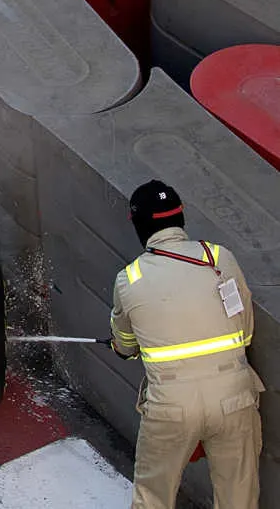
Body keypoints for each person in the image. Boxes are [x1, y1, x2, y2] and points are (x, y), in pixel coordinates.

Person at [110, 180, 263, 509]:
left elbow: (124, 345)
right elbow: (245, 332)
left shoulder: (130, 278)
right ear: (180, 217)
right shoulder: (219, 257)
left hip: (171, 405)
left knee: (154, 497)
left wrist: (120, 344)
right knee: (239, 497)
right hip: (233, 395)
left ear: (139, 225)